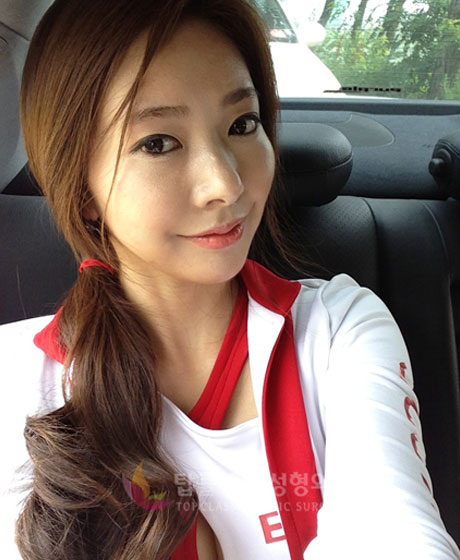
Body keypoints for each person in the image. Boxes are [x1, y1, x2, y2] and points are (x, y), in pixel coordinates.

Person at [1, 0, 459, 558]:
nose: (226, 183)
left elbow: (393, 533)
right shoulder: (18, 381)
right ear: (82, 191)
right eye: (158, 143)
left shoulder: (338, 331)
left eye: (242, 125)